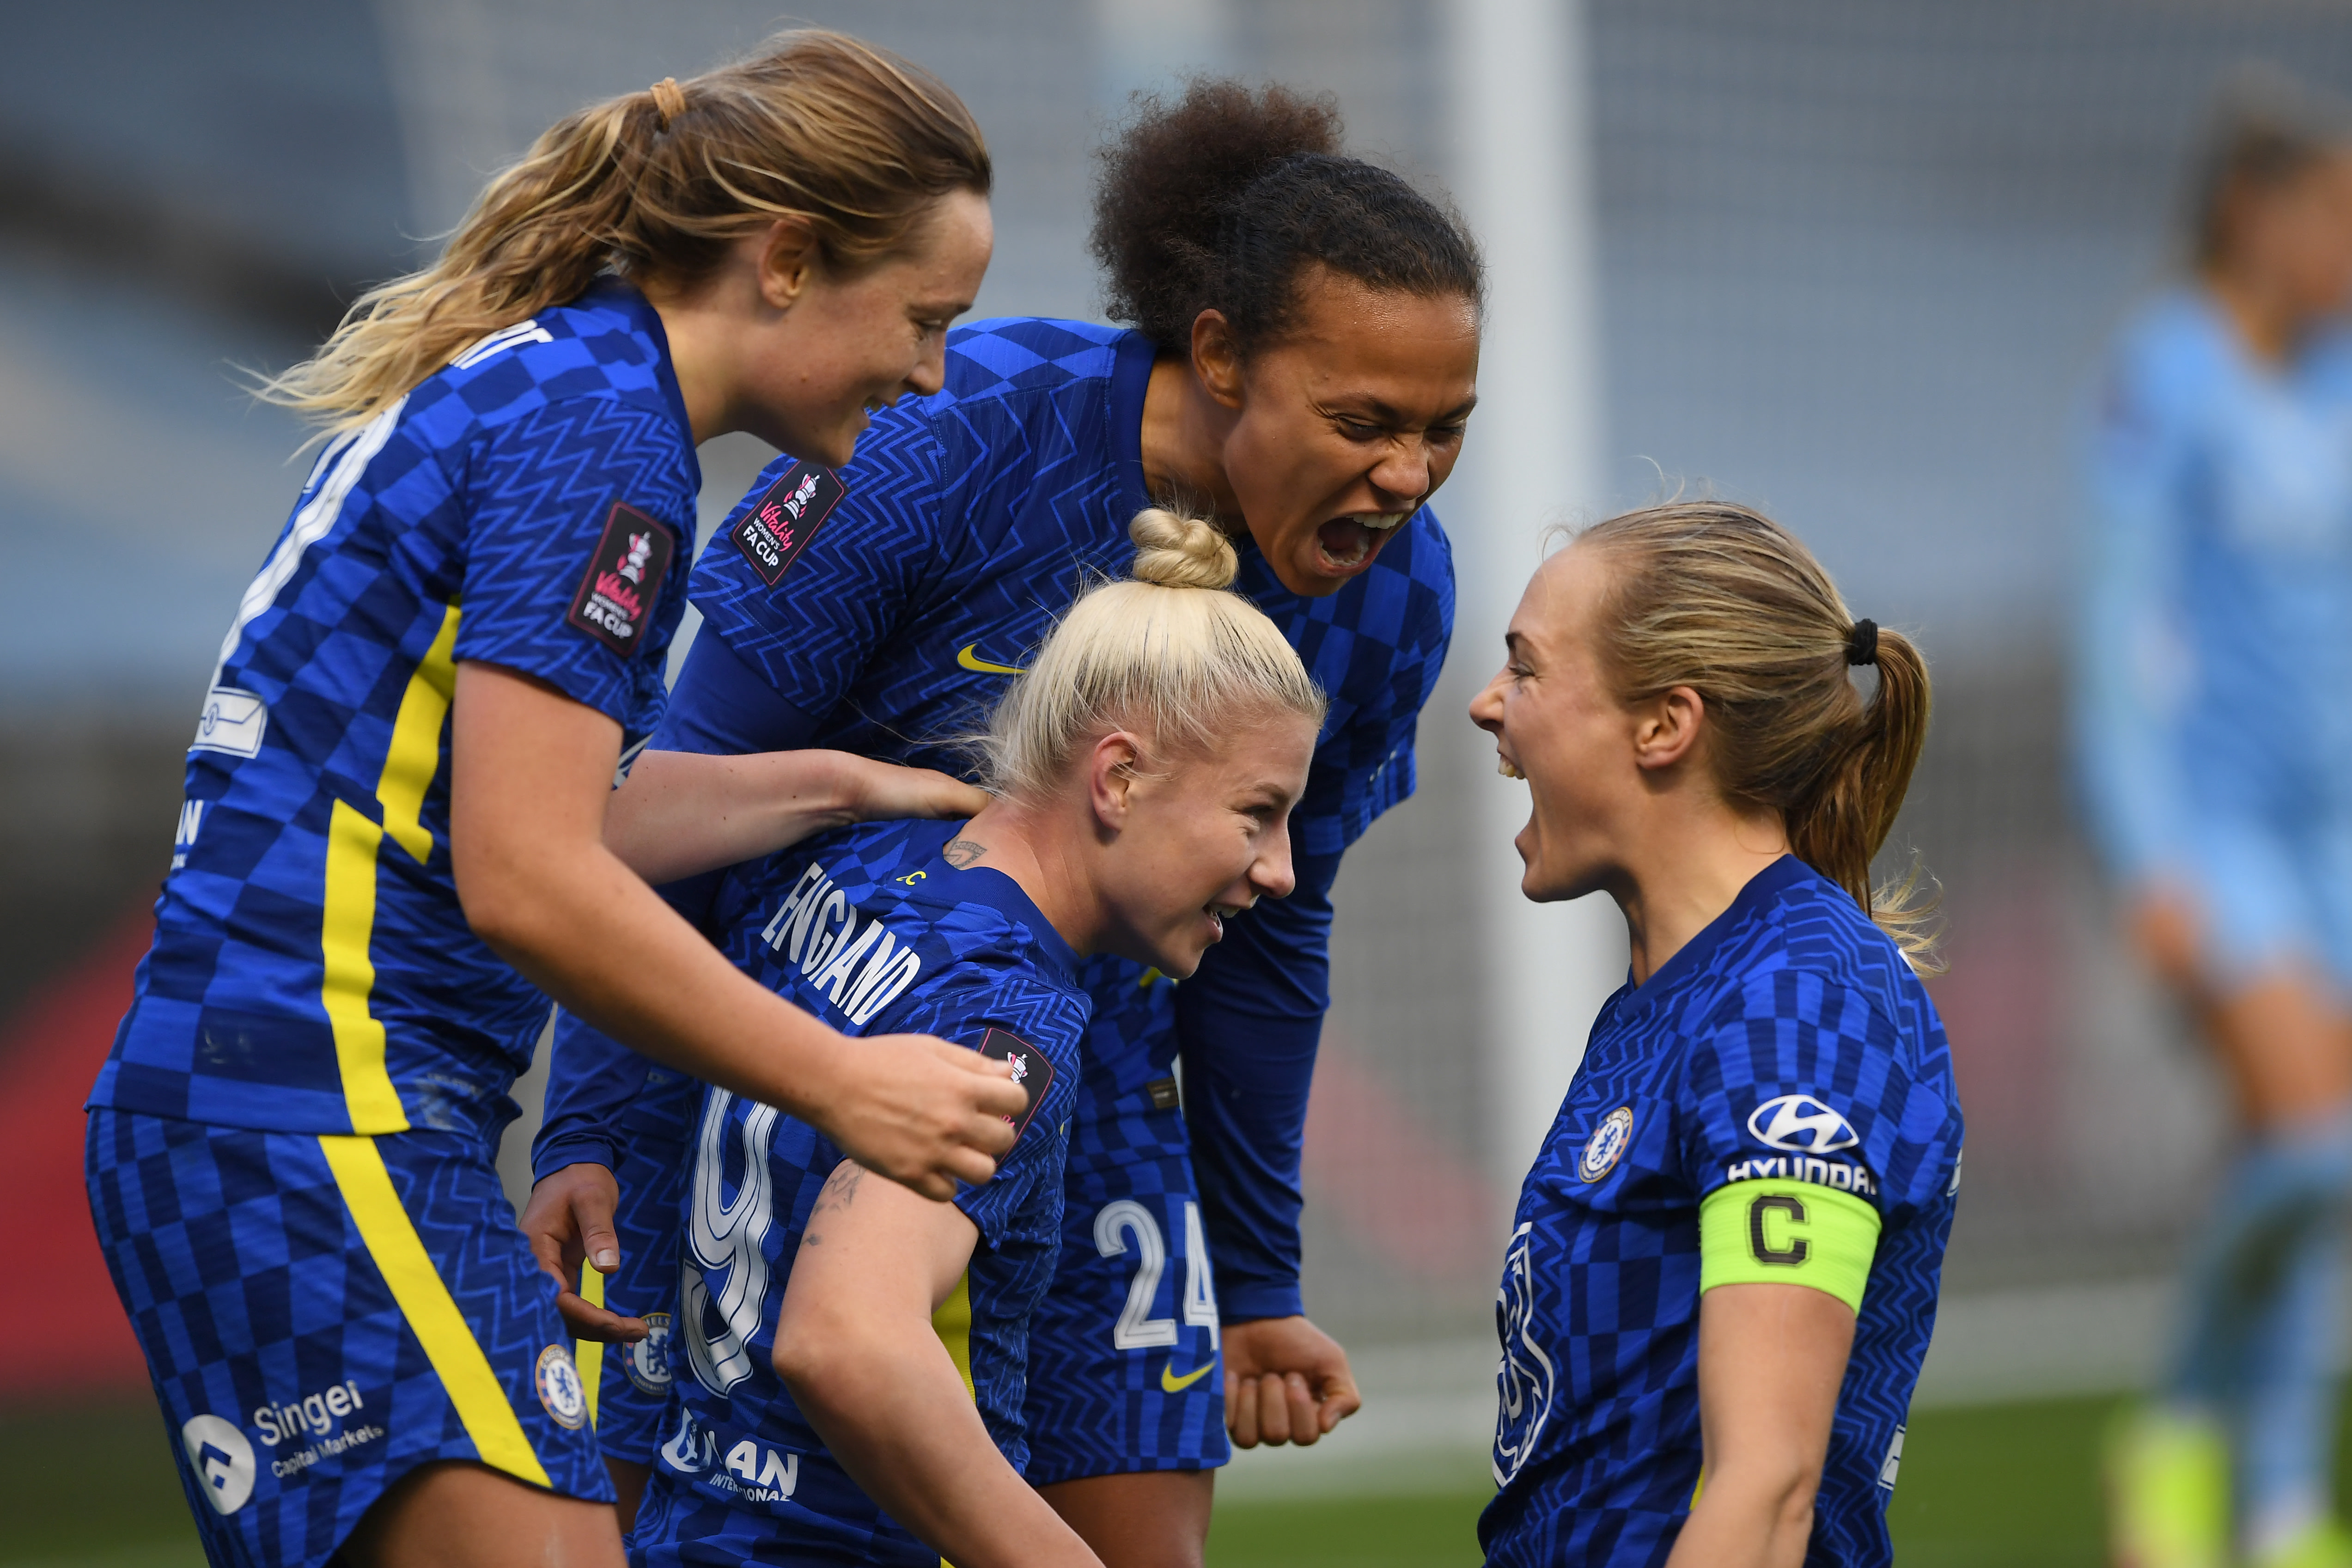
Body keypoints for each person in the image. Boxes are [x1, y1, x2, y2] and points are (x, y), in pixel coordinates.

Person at [82, 33, 1028, 1568]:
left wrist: (836, 783)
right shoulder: (608, 434)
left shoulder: (559, 380)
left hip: (300, 1109)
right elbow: (528, 879)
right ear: (786, 259)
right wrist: (845, 1082)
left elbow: (507, 814)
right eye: (925, 320)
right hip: (311, 1108)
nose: (927, 371)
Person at [523, 80, 1479, 1566]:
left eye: (1444, 432)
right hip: (789, 1073)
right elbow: (656, 806)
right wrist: (590, 1121)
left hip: (1094, 1119)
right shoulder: (937, 443)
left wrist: (1261, 1273)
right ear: (1218, 355)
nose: (1407, 476)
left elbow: (1274, 928)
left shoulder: (1400, 592)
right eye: (1364, 421)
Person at [615, 510, 1325, 1567]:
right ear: (1119, 778)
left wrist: (840, 787)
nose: (1281, 871)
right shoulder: (1013, 1014)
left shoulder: (853, 862)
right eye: (1257, 813)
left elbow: (579, 825)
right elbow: (846, 1338)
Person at [1468, 502, 1961, 1568]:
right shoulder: (1684, 991)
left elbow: (1767, 1490)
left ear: (1664, 723)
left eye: (1526, 668)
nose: (1485, 703)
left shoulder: (1793, 1003)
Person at [2082, 73, 2352, 1568]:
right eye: (2342, 219)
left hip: (2337, 838)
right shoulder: (2166, 374)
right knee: (2320, 1145)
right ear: (2262, 218)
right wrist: (2150, 851)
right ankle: (2180, 1430)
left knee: (2295, 1173)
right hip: (2218, 833)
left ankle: (2285, 1508)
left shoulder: (2337, 382)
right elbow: (2123, 631)